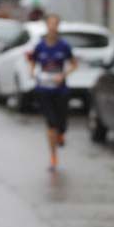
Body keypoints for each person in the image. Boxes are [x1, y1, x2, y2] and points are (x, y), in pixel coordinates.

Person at [28, 14, 77, 171]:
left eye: (55, 24)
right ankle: (53, 158)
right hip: (43, 89)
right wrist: (32, 71)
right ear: (46, 26)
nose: (52, 27)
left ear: (58, 26)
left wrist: (63, 75)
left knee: (61, 122)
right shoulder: (40, 46)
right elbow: (32, 60)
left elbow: (74, 64)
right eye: (50, 24)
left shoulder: (64, 46)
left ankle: (62, 134)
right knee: (51, 123)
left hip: (60, 90)